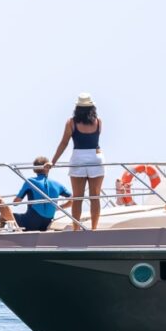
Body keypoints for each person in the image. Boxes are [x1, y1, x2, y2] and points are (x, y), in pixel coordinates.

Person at [49, 93, 105, 231]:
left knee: (77, 197)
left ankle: (76, 229)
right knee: (95, 197)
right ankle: (94, 228)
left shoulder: (71, 122)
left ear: (77, 108)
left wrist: (53, 162)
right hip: (96, 158)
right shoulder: (99, 121)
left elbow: (64, 143)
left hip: (78, 158)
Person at [12, 156, 71, 232]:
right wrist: (58, 208)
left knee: (5, 215)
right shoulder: (57, 184)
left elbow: (16, 203)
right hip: (46, 223)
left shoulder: (30, 181)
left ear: (34, 169)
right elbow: (73, 200)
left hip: (30, 222)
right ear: (48, 168)